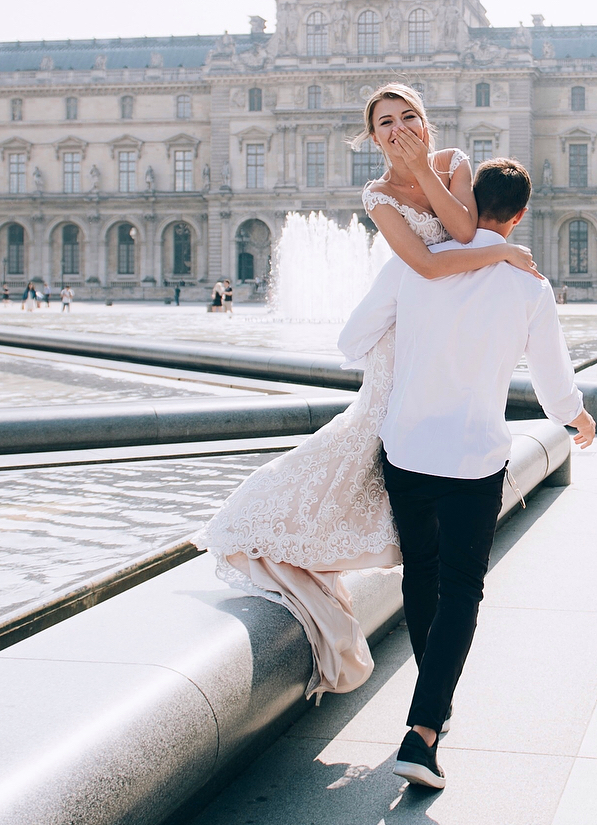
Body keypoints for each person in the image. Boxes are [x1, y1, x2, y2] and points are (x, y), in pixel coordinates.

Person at [195, 84, 543, 700]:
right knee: (368, 441)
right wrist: (501, 251)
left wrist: (424, 171)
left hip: (447, 332)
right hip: (404, 341)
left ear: (427, 122)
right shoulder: (378, 195)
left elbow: (463, 230)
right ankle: (265, 519)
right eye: (386, 122)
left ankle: (431, 677)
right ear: (371, 133)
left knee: (407, 478)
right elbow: (431, 264)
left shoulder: (454, 164)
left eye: (409, 116)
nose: (399, 127)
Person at [340, 158, 594, 788]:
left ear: (467, 201)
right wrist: (577, 420)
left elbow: (352, 341)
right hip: (473, 455)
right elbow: (553, 381)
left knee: (423, 574)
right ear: (520, 215)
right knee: (461, 589)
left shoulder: (412, 264)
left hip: (406, 450)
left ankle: (433, 703)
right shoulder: (528, 285)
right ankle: (423, 732)